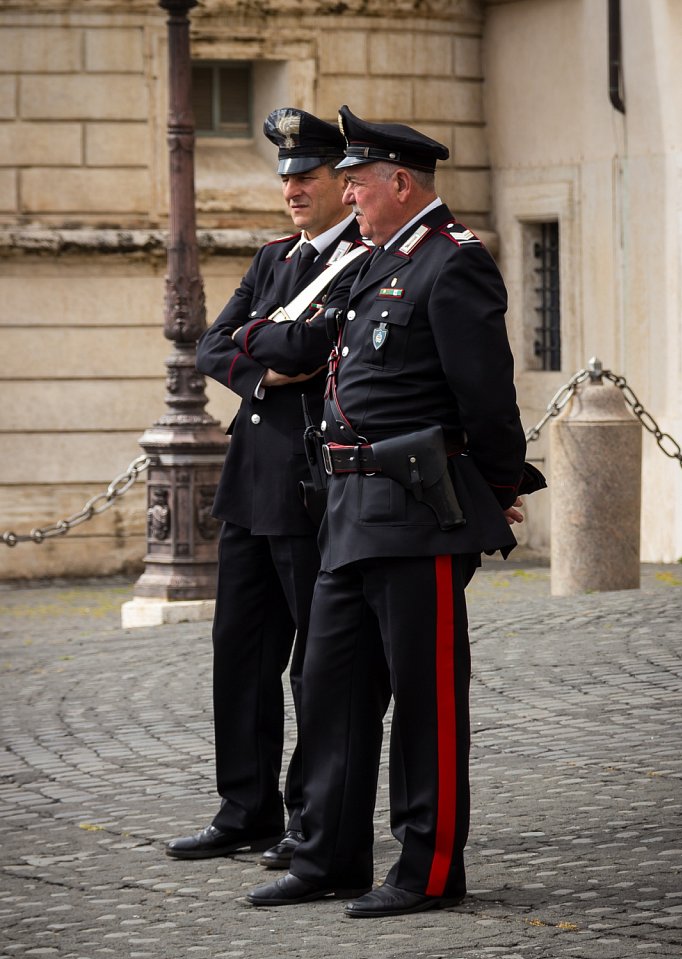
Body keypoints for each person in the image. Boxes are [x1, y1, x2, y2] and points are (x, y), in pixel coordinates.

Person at [246, 106, 545, 916]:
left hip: (417, 509)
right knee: (331, 686)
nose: (346, 196)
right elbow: (292, 347)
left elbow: (486, 396)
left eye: (355, 182)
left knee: (425, 699)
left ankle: (426, 869)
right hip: (348, 508)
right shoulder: (371, 262)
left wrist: (494, 490)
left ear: (399, 182)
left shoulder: (452, 264)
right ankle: (326, 856)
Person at [166, 108, 372, 868]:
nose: (291, 188)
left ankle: (309, 818)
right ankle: (243, 808)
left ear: (340, 184)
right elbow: (208, 348)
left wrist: (252, 350)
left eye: (306, 176)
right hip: (249, 481)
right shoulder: (272, 258)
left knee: (313, 663)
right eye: (284, 176)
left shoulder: (359, 260)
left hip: (309, 485)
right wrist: (263, 362)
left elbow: (311, 345)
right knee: (239, 655)